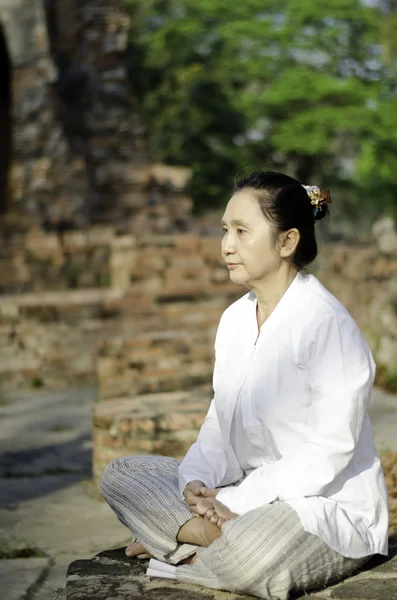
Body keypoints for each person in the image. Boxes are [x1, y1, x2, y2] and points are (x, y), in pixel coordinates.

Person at [101, 172, 389, 599]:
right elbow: (220, 419)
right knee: (122, 474)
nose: (226, 245)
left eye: (241, 231)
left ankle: (183, 548)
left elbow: (329, 449)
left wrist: (237, 502)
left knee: (253, 551)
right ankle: (208, 539)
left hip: (315, 507)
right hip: (235, 498)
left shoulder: (326, 324)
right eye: (224, 230)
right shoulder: (235, 320)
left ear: (287, 242)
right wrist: (196, 484)